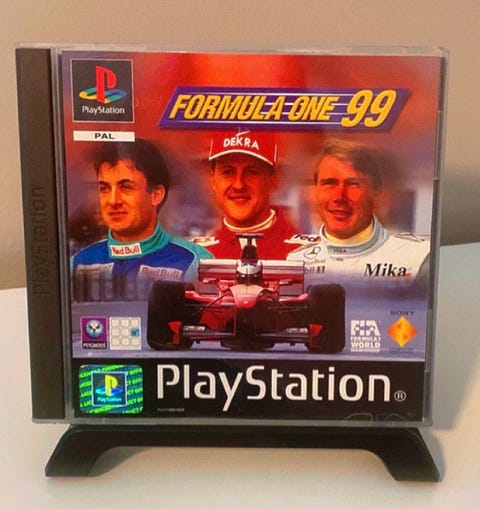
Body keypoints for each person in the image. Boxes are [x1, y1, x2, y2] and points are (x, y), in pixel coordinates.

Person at [72, 139, 212, 300]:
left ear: (156, 195)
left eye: (126, 187)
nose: (113, 200)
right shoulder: (78, 262)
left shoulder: (195, 262)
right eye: (104, 188)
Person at [287, 138, 430, 292]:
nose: (339, 197)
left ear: (376, 192)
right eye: (329, 183)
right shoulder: (296, 261)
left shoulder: (417, 259)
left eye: (353, 184)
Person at [193, 130, 303, 259]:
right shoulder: (195, 255)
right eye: (228, 172)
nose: (238, 185)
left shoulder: (305, 250)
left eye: (252, 172)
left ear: (274, 180)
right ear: (213, 179)